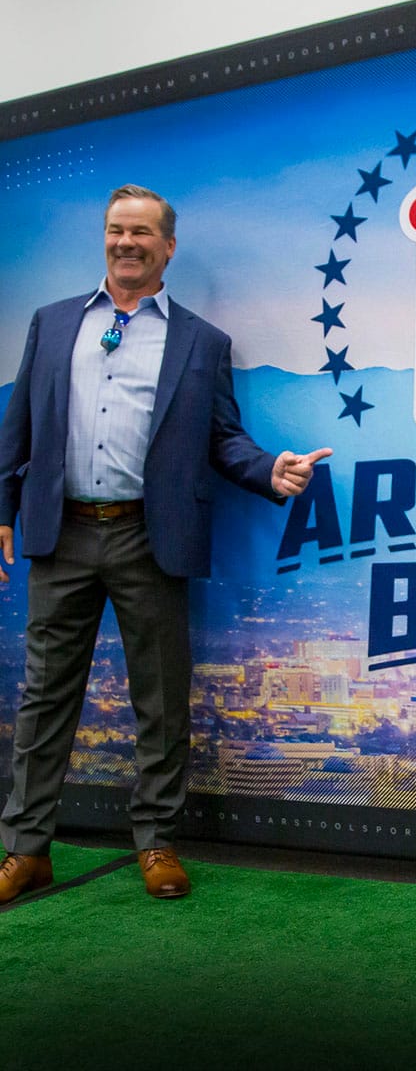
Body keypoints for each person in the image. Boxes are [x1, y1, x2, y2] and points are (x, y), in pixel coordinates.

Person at [0, 184, 331, 902]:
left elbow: (221, 438)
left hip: (151, 539)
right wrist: (3, 502)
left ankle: (156, 844)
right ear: (105, 237)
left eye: (142, 233)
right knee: (44, 700)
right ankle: (26, 850)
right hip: (62, 537)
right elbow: (19, 422)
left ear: (168, 247)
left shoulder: (200, 342)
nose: (126, 243)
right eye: (117, 230)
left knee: (161, 702)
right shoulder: (53, 324)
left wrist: (270, 470)